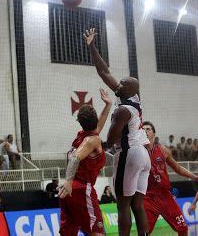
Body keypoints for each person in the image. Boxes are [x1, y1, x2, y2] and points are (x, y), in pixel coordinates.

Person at [85, 28, 151, 236]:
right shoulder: (133, 98)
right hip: (143, 155)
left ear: (128, 89)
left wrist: (98, 146)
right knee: (137, 205)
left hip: (129, 154)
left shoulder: (123, 110)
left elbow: (112, 138)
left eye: (122, 83)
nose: (118, 84)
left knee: (122, 205)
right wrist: (92, 47)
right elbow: (104, 72)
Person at [59, 88, 112, 236]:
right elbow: (76, 157)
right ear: (93, 118)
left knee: (68, 232)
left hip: (68, 191)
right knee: (98, 232)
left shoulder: (83, 136)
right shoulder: (91, 140)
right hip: (82, 188)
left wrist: (108, 105)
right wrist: (69, 181)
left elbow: (98, 126)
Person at [142, 122, 198, 236]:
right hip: (148, 196)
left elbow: (177, 168)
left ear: (154, 133)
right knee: (144, 232)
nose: (145, 131)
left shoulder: (163, 151)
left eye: (148, 129)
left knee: (183, 228)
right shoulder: (137, 152)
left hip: (165, 195)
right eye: (143, 130)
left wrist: (195, 177)